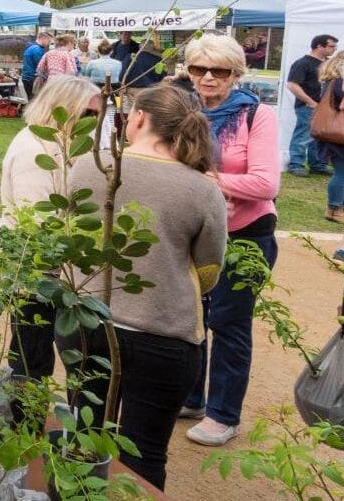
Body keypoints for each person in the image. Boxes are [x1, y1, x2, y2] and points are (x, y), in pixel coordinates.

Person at [58, 84, 227, 490]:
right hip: (165, 335)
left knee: (83, 435)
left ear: (138, 118)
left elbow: (67, 240)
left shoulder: (88, 167)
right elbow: (209, 271)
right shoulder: (204, 189)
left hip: (87, 325)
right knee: (145, 452)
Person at [177, 34, 281, 448]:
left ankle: (223, 413)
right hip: (195, 230)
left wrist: (209, 182)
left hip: (245, 235)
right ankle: (190, 397)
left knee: (228, 322)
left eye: (218, 70)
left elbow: (265, 183)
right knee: (191, 316)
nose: (207, 78)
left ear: (236, 74)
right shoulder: (183, 112)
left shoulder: (257, 116)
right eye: (198, 69)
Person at [0, 77, 102, 384]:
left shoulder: (63, 145)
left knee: (53, 356)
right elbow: (38, 222)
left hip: (55, 270)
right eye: (87, 114)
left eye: (99, 115)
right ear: (62, 109)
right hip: (35, 272)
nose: (94, 122)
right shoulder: (36, 150)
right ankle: (23, 429)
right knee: (31, 361)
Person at [285, 34, 339, 177]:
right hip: (307, 106)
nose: (334, 49)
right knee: (303, 135)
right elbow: (292, 84)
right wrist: (310, 102)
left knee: (320, 136)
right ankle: (296, 164)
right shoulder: (303, 63)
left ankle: (318, 164)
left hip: (326, 107)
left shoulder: (329, 64)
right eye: (331, 46)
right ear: (319, 46)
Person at [319, 50, 344, 222]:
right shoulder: (339, 83)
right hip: (339, 135)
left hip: (339, 134)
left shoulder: (334, 82)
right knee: (343, 172)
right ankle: (334, 208)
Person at [21, 32, 51, 100]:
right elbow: (41, 66)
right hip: (32, 79)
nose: (48, 43)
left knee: (31, 99)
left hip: (26, 77)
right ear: (43, 39)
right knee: (35, 101)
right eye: (49, 41)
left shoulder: (31, 47)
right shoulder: (37, 49)